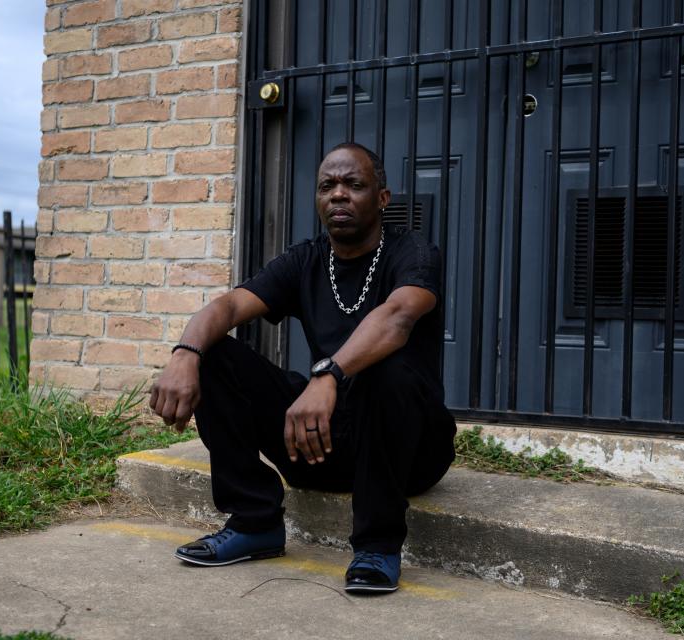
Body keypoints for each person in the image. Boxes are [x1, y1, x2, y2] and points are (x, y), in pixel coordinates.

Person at [149, 142, 456, 594]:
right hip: (326, 445)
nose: (339, 195)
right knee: (214, 353)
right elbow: (231, 305)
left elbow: (398, 317)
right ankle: (255, 522)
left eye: (354, 185)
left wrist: (328, 376)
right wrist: (185, 354)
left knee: (386, 369)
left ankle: (377, 546)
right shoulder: (307, 259)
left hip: (410, 450)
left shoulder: (412, 253)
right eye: (328, 186)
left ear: (382, 198)